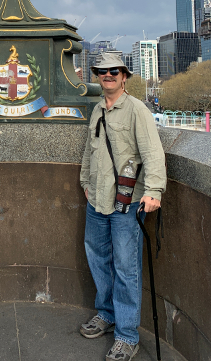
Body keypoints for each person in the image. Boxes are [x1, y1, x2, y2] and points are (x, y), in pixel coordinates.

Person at [79, 51, 166, 361]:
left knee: (126, 269)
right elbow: (90, 151)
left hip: (127, 204)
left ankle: (127, 335)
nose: (108, 75)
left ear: (125, 76)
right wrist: (85, 183)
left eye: (115, 71)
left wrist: (154, 190)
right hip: (97, 200)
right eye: (102, 71)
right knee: (99, 259)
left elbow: (153, 153)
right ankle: (107, 314)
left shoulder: (137, 110)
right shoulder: (97, 109)